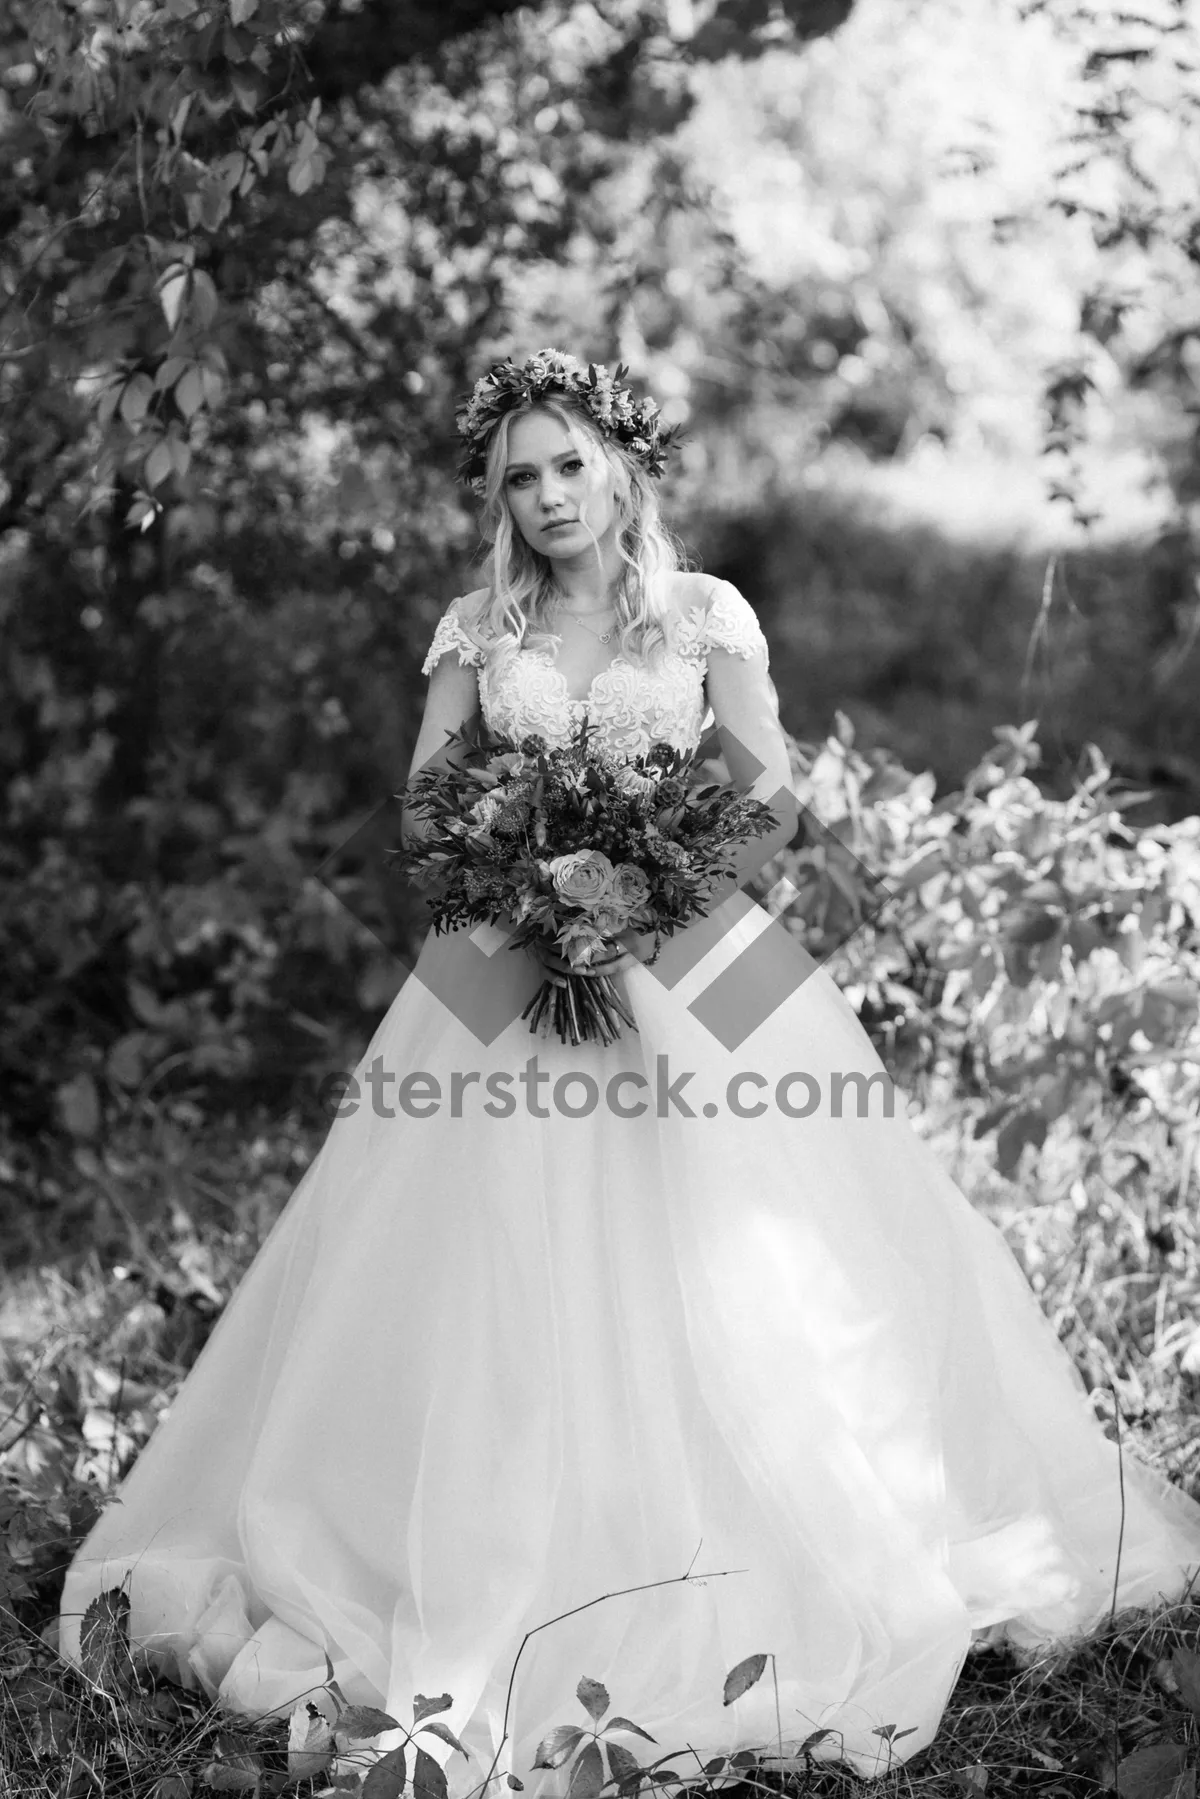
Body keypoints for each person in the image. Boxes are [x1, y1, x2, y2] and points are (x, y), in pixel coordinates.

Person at [59, 349, 1200, 1794]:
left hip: (694, 967)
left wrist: (658, 869)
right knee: (490, 1268)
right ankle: (480, 1547)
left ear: (621, 470)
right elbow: (428, 800)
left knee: (758, 1257)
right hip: (508, 964)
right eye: (517, 476)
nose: (544, 496)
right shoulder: (475, 629)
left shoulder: (704, 614)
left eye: (567, 466)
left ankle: (781, 1533)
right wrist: (519, 870)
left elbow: (771, 783)